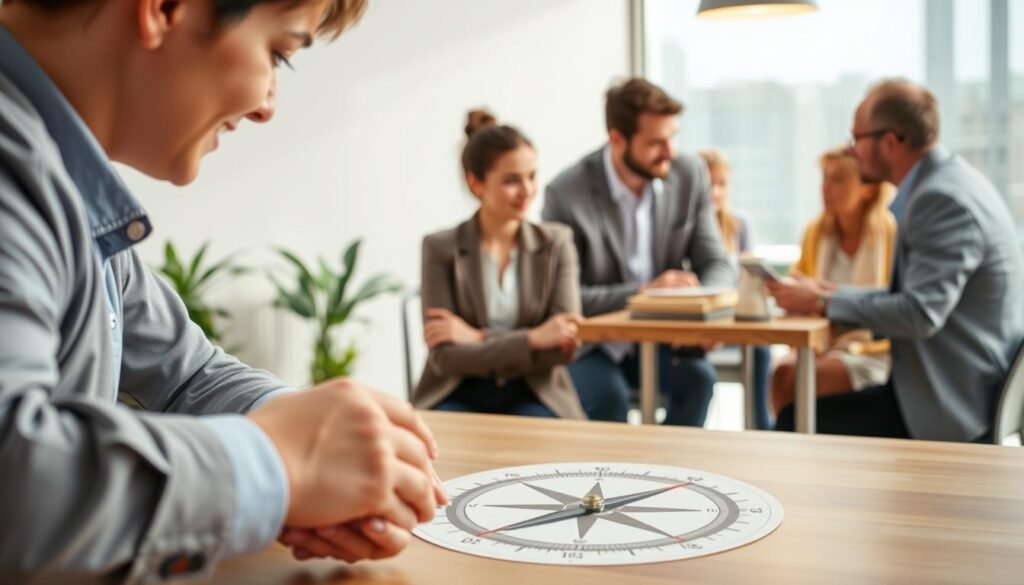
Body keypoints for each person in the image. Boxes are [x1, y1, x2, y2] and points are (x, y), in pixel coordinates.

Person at [0, 0, 446, 582]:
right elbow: (14, 479)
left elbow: (187, 375)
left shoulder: (71, 192)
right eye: (279, 53)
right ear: (165, 9)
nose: (267, 107)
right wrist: (276, 466)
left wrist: (306, 436)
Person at [768, 79, 1024, 442]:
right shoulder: (951, 181)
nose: (852, 149)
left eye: (857, 138)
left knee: (794, 421)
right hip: (952, 385)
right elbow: (914, 298)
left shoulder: (939, 199)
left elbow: (919, 314)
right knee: (799, 407)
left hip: (952, 405)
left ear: (890, 142)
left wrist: (825, 302)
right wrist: (830, 295)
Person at [543, 78, 734, 426]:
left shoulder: (689, 174)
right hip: (593, 346)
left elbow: (715, 263)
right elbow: (563, 299)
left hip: (664, 341)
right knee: (608, 399)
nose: (670, 152)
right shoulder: (566, 193)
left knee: (699, 380)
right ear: (617, 139)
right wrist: (644, 294)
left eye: (672, 137)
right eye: (656, 142)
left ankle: (668, 461)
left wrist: (703, 312)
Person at [412, 110, 586, 420]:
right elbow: (446, 357)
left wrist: (477, 339)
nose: (527, 190)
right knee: (441, 443)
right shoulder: (440, 248)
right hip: (457, 390)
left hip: (534, 390)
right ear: (476, 183)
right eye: (511, 181)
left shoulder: (557, 243)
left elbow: (564, 345)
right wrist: (533, 339)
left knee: (541, 439)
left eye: (531, 176)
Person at [769, 146, 897, 416]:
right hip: (820, 345)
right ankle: (789, 438)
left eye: (837, 180)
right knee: (781, 374)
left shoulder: (891, 233)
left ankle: (799, 436)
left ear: (868, 189)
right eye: (824, 178)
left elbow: (892, 303)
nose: (825, 188)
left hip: (872, 351)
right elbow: (800, 285)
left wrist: (821, 298)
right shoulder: (815, 232)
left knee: (811, 377)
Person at [697, 148, 772, 430]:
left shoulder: (740, 224)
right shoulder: (684, 228)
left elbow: (749, 279)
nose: (715, 193)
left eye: (722, 184)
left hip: (733, 321)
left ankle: (761, 428)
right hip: (697, 328)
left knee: (760, 351)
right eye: (709, 185)